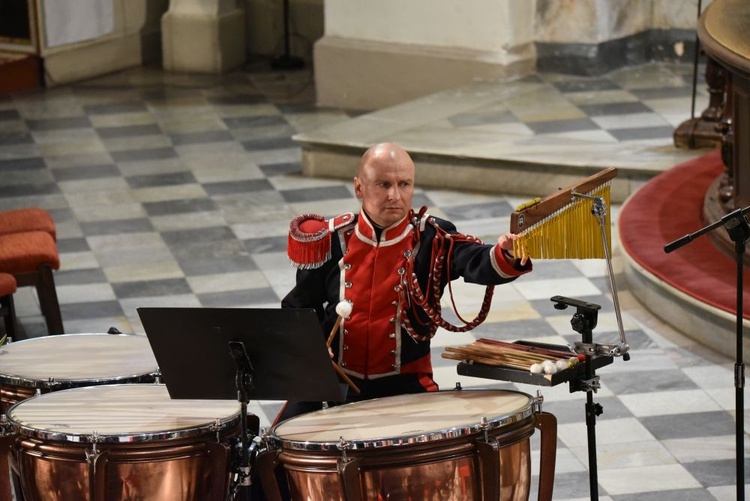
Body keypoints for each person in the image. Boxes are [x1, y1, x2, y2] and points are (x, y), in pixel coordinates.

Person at [278, 142, 532, 420]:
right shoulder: (330, 239)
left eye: (404, 184)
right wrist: (311, 349)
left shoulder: (432, 238)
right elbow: (299, 308)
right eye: (383, 185)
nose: (395, 196)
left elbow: (477, 262)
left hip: (407, 383)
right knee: (275, 448)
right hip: (333, 380)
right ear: (359, 188)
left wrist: (506, 253)